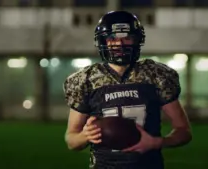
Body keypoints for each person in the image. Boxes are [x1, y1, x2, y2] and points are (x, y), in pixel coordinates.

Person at [63, 11, 192, 169]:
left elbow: (183, 131)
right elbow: (72, 141)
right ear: (103, 41)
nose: (119, 44)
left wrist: (157, 142)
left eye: (127, 38)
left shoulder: (156, 75)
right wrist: (86, 136)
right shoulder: (86, 80)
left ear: (137, 40)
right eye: (112, 39)